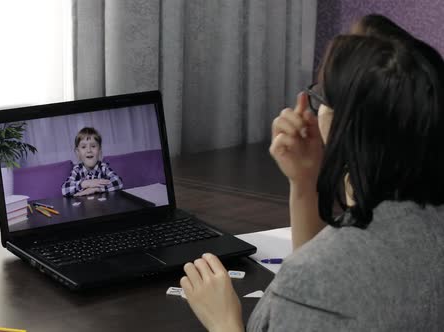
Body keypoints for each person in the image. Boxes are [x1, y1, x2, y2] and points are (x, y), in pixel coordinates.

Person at [180, 34, 444, 331]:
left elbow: (318, 278)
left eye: (320, 97)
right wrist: (305, 182)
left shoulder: (309, 281)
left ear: (345, 125)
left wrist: (223, 321)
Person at [61, 127, 123, 197]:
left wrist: (96, 189)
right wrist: (85, 184)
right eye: (83, 147)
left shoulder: (103, 167)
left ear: (99, 150)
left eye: (93, 146)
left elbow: (119, 182)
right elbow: (64, 189)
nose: (89, 150)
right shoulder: (77, 170)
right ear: (78, 152)